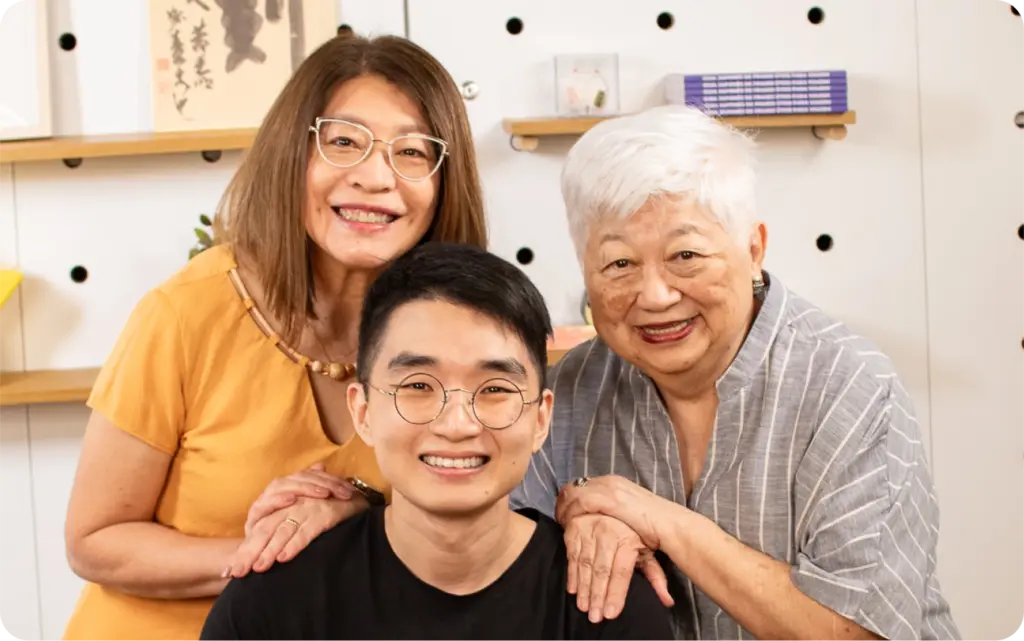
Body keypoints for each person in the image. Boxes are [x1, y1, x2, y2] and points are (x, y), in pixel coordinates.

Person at [61, 33, 487, 641]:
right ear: (293, 153)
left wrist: (359, 512)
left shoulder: (458, 335)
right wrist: (280, 554)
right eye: (344, 141)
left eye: (413, 152)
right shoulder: (184, 314)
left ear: (445, 182)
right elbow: (94, 540)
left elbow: (469, 530)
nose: (375, 177)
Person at [510, 105, 963, 641]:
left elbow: (859, 635)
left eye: (686, 255)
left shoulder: (848, 387)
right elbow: (506, 570)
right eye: (619, 264)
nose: (655, 296)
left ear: (753, 250)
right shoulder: (567, 390)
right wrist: (581, 519)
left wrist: (663, 523)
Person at [197, 242, 676, 641]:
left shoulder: (605, 604)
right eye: (418, 386)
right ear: (363, 411)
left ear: (540, 418)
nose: (457, 424)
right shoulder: (272, 606)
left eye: (495, 390)